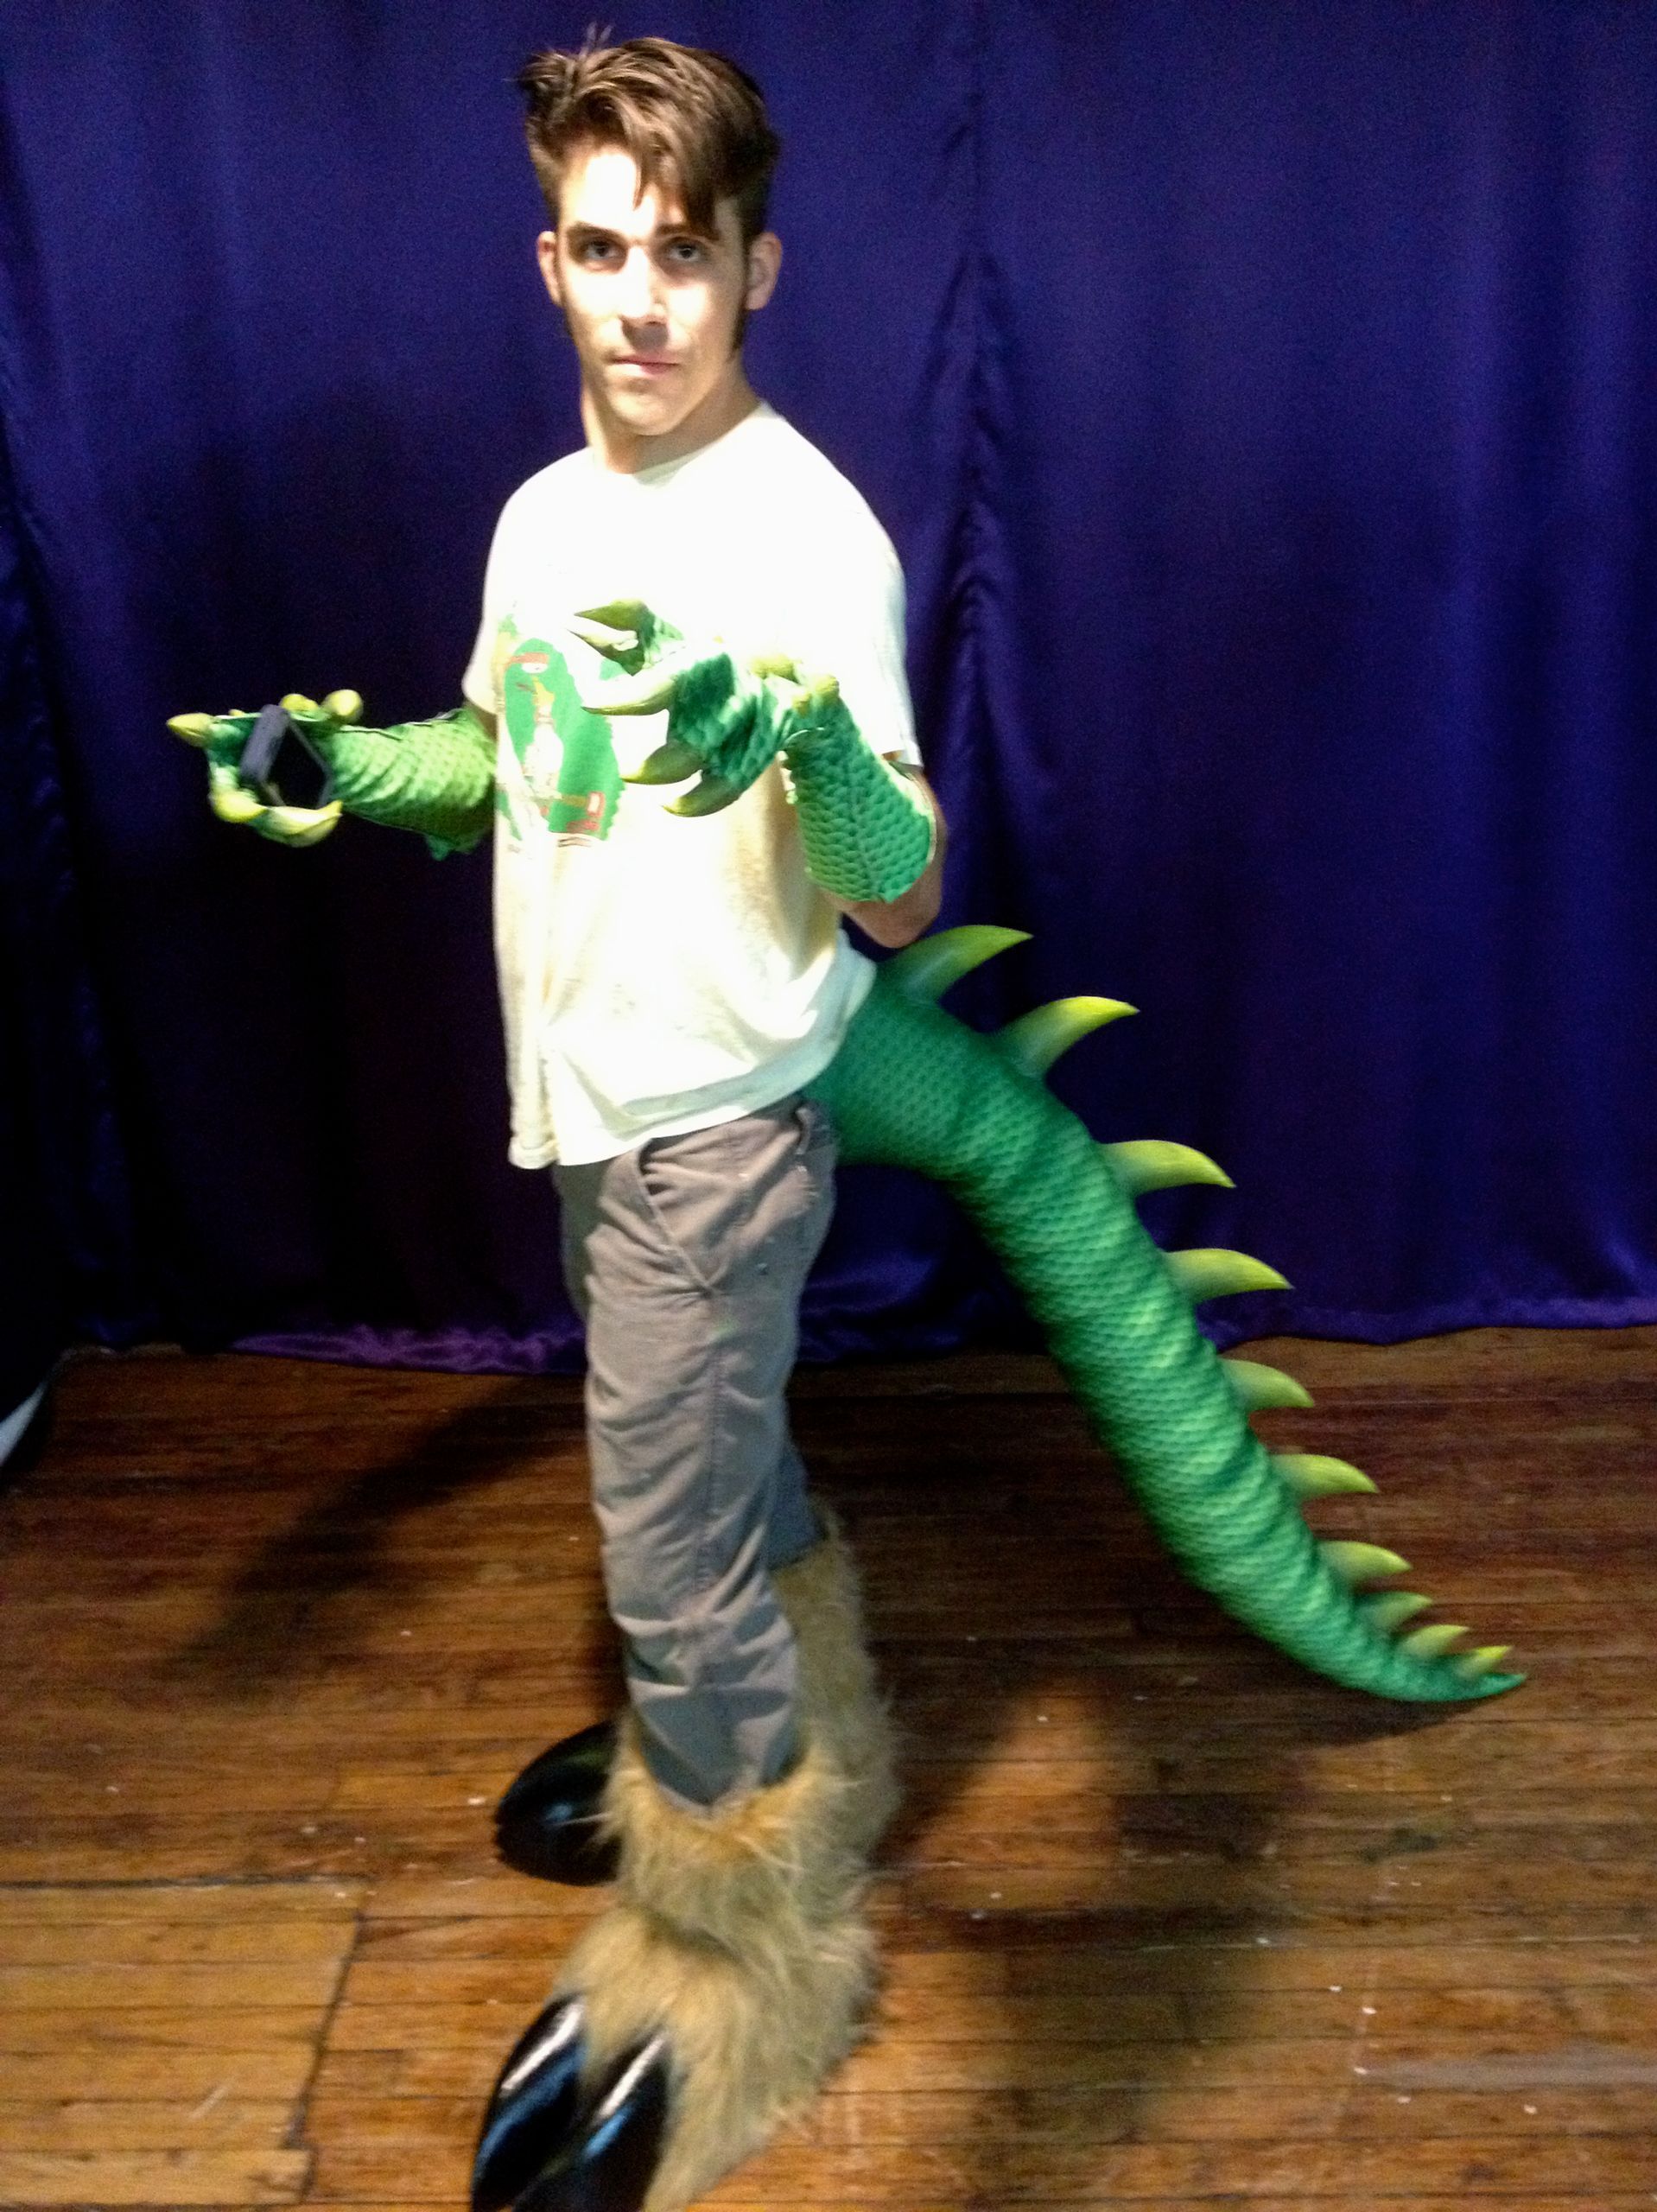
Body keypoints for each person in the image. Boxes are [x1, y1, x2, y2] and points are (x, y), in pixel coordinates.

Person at [175, 35, 943, 2212]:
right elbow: (512, 761)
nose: (638, 300)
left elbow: (902, 888)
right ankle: (775, 1733)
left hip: (720, 1118)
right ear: (548, 259)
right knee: (717, 1458)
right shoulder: (543, 518)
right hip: (596, 1105)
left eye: (680, 255)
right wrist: (346, 775)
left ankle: (730, 1965)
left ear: (755, 268)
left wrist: (812, 754)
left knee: (663, 1550)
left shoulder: (814, 537)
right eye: (600, 250)